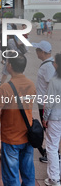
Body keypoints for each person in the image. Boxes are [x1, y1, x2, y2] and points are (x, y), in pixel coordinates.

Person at [0, 54, 36, 186]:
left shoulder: (5, 88)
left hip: (11, 137)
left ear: (10, 66)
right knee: (28, 174)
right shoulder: (31, 84)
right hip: (28, 134)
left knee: (12, 176)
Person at [32, 41, 55, 163]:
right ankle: (52, 153)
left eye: (37, 50)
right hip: (44, 103)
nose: (36, 52)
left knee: (49, 129)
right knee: (49, 129)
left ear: (42, 52)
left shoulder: (48, 66)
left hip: (45, 104)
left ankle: (52, 156)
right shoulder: (48, 64)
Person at [43, 53, 61, 186]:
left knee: (52, 147)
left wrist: (45, 118)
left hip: (55, 117)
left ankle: (54, 178)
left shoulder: (54, 81)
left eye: (54, 62)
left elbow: (49, 103)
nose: (52, 63)